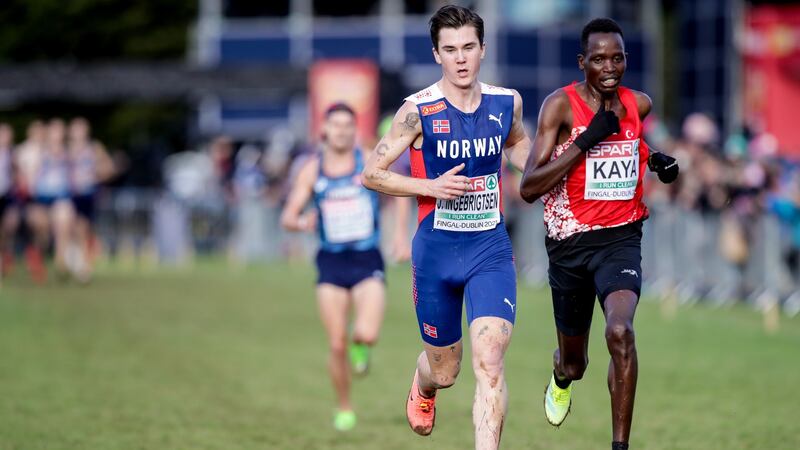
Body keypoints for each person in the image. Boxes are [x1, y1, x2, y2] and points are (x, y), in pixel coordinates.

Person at [362, 5, 531, 449]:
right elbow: (372, 173)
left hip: (489, 249)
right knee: (446, 371)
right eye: (450, 49)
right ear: (437, 54)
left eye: (469, 48)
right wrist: (429, 186)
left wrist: (543, 174)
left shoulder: (506, 102)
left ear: (482, 49)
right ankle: (424, 386)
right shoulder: (416, 111)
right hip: (436, 252)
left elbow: (518, 147)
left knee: (490, 362)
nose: (461, 58)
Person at [518, 18, 678, 450]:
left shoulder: (637, 104)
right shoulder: (560, 107)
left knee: (621, 332)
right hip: (569, 245)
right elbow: (529, 187)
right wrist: (584, 140)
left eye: (618, 57)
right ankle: (560, 375)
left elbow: (630, 143)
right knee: (577, 363)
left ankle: (619, 446)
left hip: (621, 239)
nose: (610, 67)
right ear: (582, 62)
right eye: (599, 59)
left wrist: (656, 158)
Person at [280, 103, 397, 432]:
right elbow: (287, 216)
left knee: (367, 332)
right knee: (335, 343)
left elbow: (400, 193)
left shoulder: (369, 161)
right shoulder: (311, 170)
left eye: (349, 125)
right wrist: (303, 222)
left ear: (355, 130)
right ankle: (344, 406)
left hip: (366, 258)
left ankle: (362, 344)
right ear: (325, 130)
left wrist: (400, 235)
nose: (342, 131)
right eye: (336, 125)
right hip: (331, 263)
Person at [67, 117, 114, 282]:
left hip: (88, 196)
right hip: (69, 195)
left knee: (83, 228)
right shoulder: (66, 149)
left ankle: (82, 264)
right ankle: (75, 260)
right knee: (71, 227)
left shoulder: (94, 148)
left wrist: (97, 174)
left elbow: (109, 169)